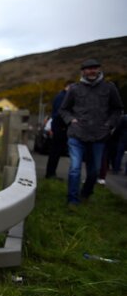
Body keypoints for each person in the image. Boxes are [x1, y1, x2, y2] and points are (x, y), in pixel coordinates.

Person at [58, 59, 124, 205]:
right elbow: (63, 109)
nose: (92, 71)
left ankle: (86, 193)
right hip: (77, 134)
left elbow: (118, 109)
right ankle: (72, 200)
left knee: (94, 171)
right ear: (83, 71)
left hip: (99, 136)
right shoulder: (75, 89)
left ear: (99, 69)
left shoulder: (109, 88)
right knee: (75, 168)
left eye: (94, 68)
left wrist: (109, 125)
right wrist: (71, 120)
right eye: (88, 69)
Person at [44, 81, 73, 179]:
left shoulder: (61, 96)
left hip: (58, 126)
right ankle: (50, 173)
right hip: (59, 127)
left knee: (55, 151)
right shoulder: (63, 97)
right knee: (55, 152)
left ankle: (51, 173)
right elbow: (60, 113)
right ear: (68, 87)